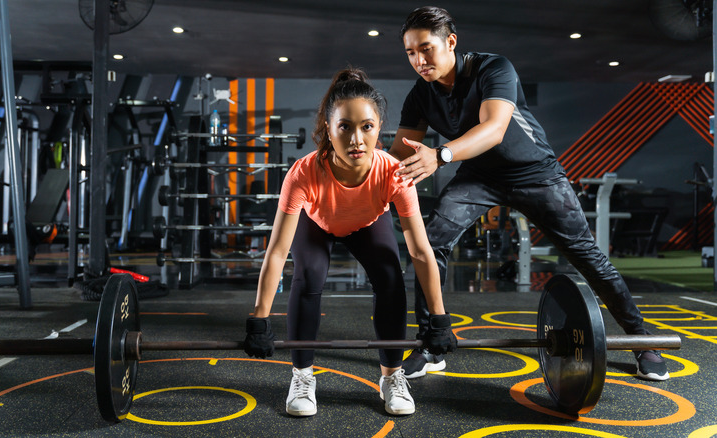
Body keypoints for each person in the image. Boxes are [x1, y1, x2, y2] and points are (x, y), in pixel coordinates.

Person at [388, 6, 669, 382]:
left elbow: (494, 129)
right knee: (430, 240)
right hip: (479, 176)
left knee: (586, 256)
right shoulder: (420, 96)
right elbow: (399, 155)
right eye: (410, 53)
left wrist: (440, 155)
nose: (419, 60)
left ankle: (643, 340)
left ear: (450, 42)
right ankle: (432, 341)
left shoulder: (493, 68)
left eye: (426, 49)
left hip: (534, 172)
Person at [243, 68, 458, 417]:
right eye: (345, 127)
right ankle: (302, 376)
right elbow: (278, 251)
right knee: (309, 275)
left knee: (390, 277)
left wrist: (439, 318)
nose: (357, 139)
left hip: (367, 224)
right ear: (329, 130)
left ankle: (391, 376)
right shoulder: (303, 173)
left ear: (379, 128)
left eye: (367, 127)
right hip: (317, 223)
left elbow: (420, 250)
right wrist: (259, 319)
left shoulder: (394, 174)